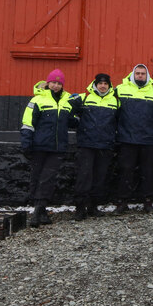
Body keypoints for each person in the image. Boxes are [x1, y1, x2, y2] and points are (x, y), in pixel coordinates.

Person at [20, 68, 74, 227]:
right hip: (39, 146)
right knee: (36, 177)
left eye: (59, 83)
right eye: (53, 82)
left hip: (57, 148)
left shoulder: (67, 101)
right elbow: (28, 123)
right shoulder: (37, 100)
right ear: (48, 82)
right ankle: (41, 211)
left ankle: (37, 212)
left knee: (47, 178)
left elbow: (72, 120)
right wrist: (26, 144)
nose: (56, 86)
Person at [69, 73, 119, 220]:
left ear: (109, 86)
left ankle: (93, 206)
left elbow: (118, 121)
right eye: (100, 83)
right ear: (95, 85)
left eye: (106, 84)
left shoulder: (115, 101)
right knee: (84, 177)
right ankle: (79, 208)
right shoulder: (84, 99)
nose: (103, 86)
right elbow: (67, 112)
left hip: (105, 145)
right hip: (87, 145)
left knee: (99, 177)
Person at [114, 64, 153, 212]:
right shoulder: (120, 90)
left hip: (148, 139)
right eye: (138, 73)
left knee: (148, 171)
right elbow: (113, 111)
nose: (140, 76)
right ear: (133, 75)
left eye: (143, 74)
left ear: (147, 76)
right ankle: (122, 201)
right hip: (127, 138)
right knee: (126, 171)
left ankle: (148, 201)